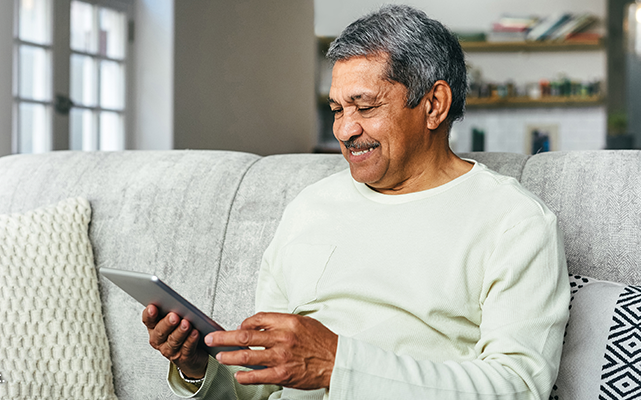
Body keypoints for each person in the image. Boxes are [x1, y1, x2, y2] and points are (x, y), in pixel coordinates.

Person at [142, 5, 569, 400]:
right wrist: (202, 368)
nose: (345, 130)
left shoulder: (514, 222)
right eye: (336, 109)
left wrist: (337, 365)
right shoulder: (310, 207)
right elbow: (263, 385)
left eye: (364, 107)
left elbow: (517, 387)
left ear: (434, 105)